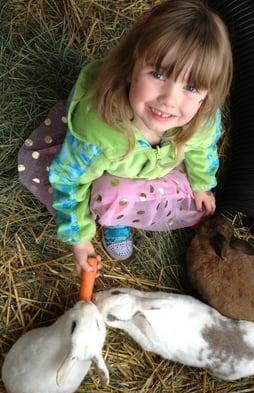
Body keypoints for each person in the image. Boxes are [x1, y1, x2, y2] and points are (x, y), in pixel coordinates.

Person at [18, 0, 232, 275]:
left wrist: (202, 184)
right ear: (131, 66)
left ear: (208, 95)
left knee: (192, 197)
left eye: (191, 87)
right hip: (111, 171)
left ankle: (135, 202)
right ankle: (114, 218)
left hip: (155, 162)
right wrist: (79, 238)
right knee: (110, 196)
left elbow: (203, 149)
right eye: (158, 74)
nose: (169, 100)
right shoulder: (100, 134)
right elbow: (68, 180)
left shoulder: (199, 119)